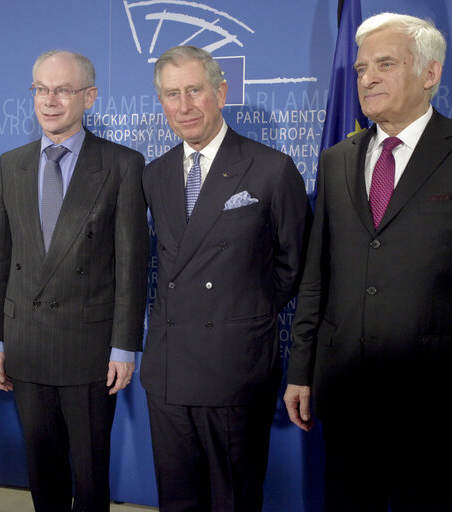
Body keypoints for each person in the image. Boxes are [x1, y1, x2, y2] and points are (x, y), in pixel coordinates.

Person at [284, 12, 452, 511]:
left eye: (385, 64)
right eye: (359, 69)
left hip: (430, 403)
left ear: (430, 73)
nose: (367, 78)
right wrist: (301, 369)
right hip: (344, 394)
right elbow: (317, 276)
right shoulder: (337, 159)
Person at [141, 45, 311, 511]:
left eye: (194, 90)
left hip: (234, 367)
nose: (184, 106)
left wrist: (244, 311)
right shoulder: (153, 175)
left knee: (233, 501)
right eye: (172, 94)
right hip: (168, 369)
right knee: (177, 502)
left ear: (221, 92)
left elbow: (294, 264)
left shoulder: (271, 168)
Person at [0, 50, 148, 512]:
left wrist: (124, 346)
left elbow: (132, 265)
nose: (49, 100)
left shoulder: (122, 165)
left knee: (90, 473)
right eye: (40, 89)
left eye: (63, 90)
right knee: (43, 469)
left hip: (91, 349)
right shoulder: (10, 164)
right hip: (25, 345)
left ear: (89, 97)